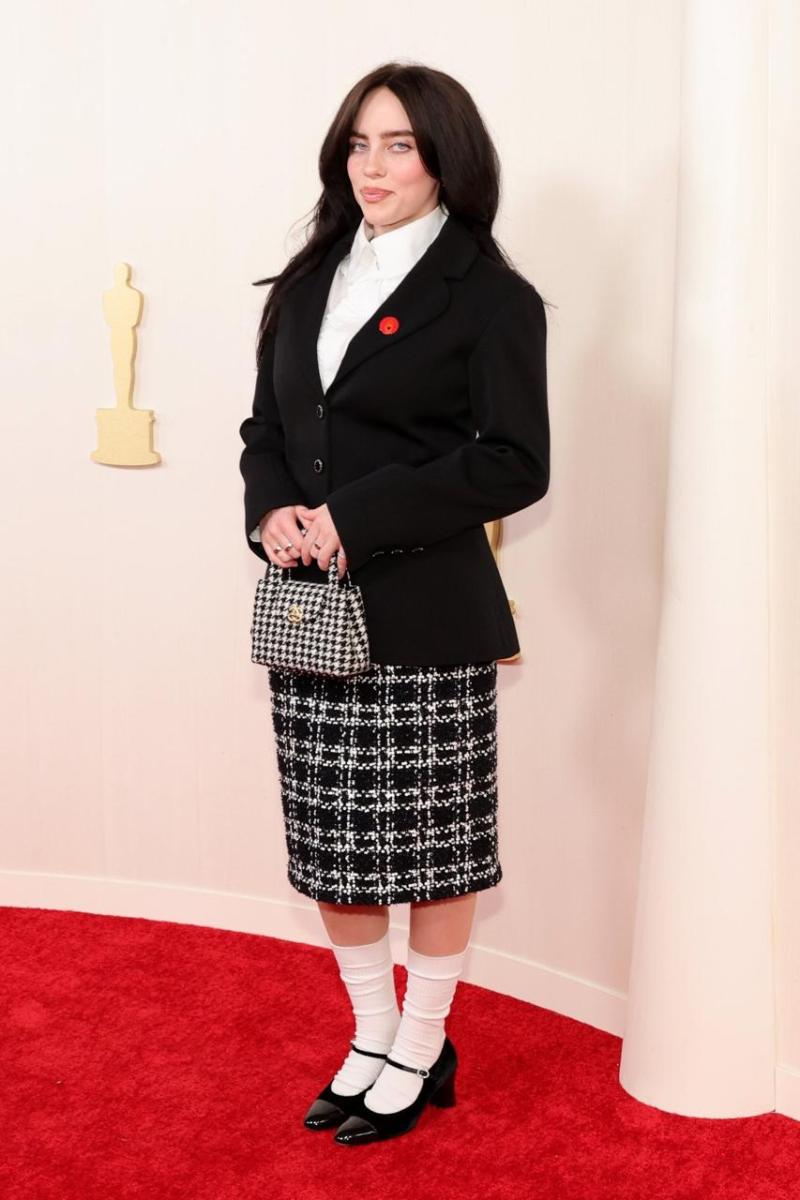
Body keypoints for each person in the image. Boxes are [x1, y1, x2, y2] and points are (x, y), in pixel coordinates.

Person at [238, 61, 550, 1146]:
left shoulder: (491, 296)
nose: (373, 166)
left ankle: (422, 1044)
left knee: (432, 849)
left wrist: (355, 518)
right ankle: (370, 1033)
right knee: (333, 845)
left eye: (400, 145)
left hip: (422, 611)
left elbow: (514, 464)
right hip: (310, 612)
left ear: (445, 160)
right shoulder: (308, 277)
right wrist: (272, 509)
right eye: (359, 144)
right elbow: (265, 431)